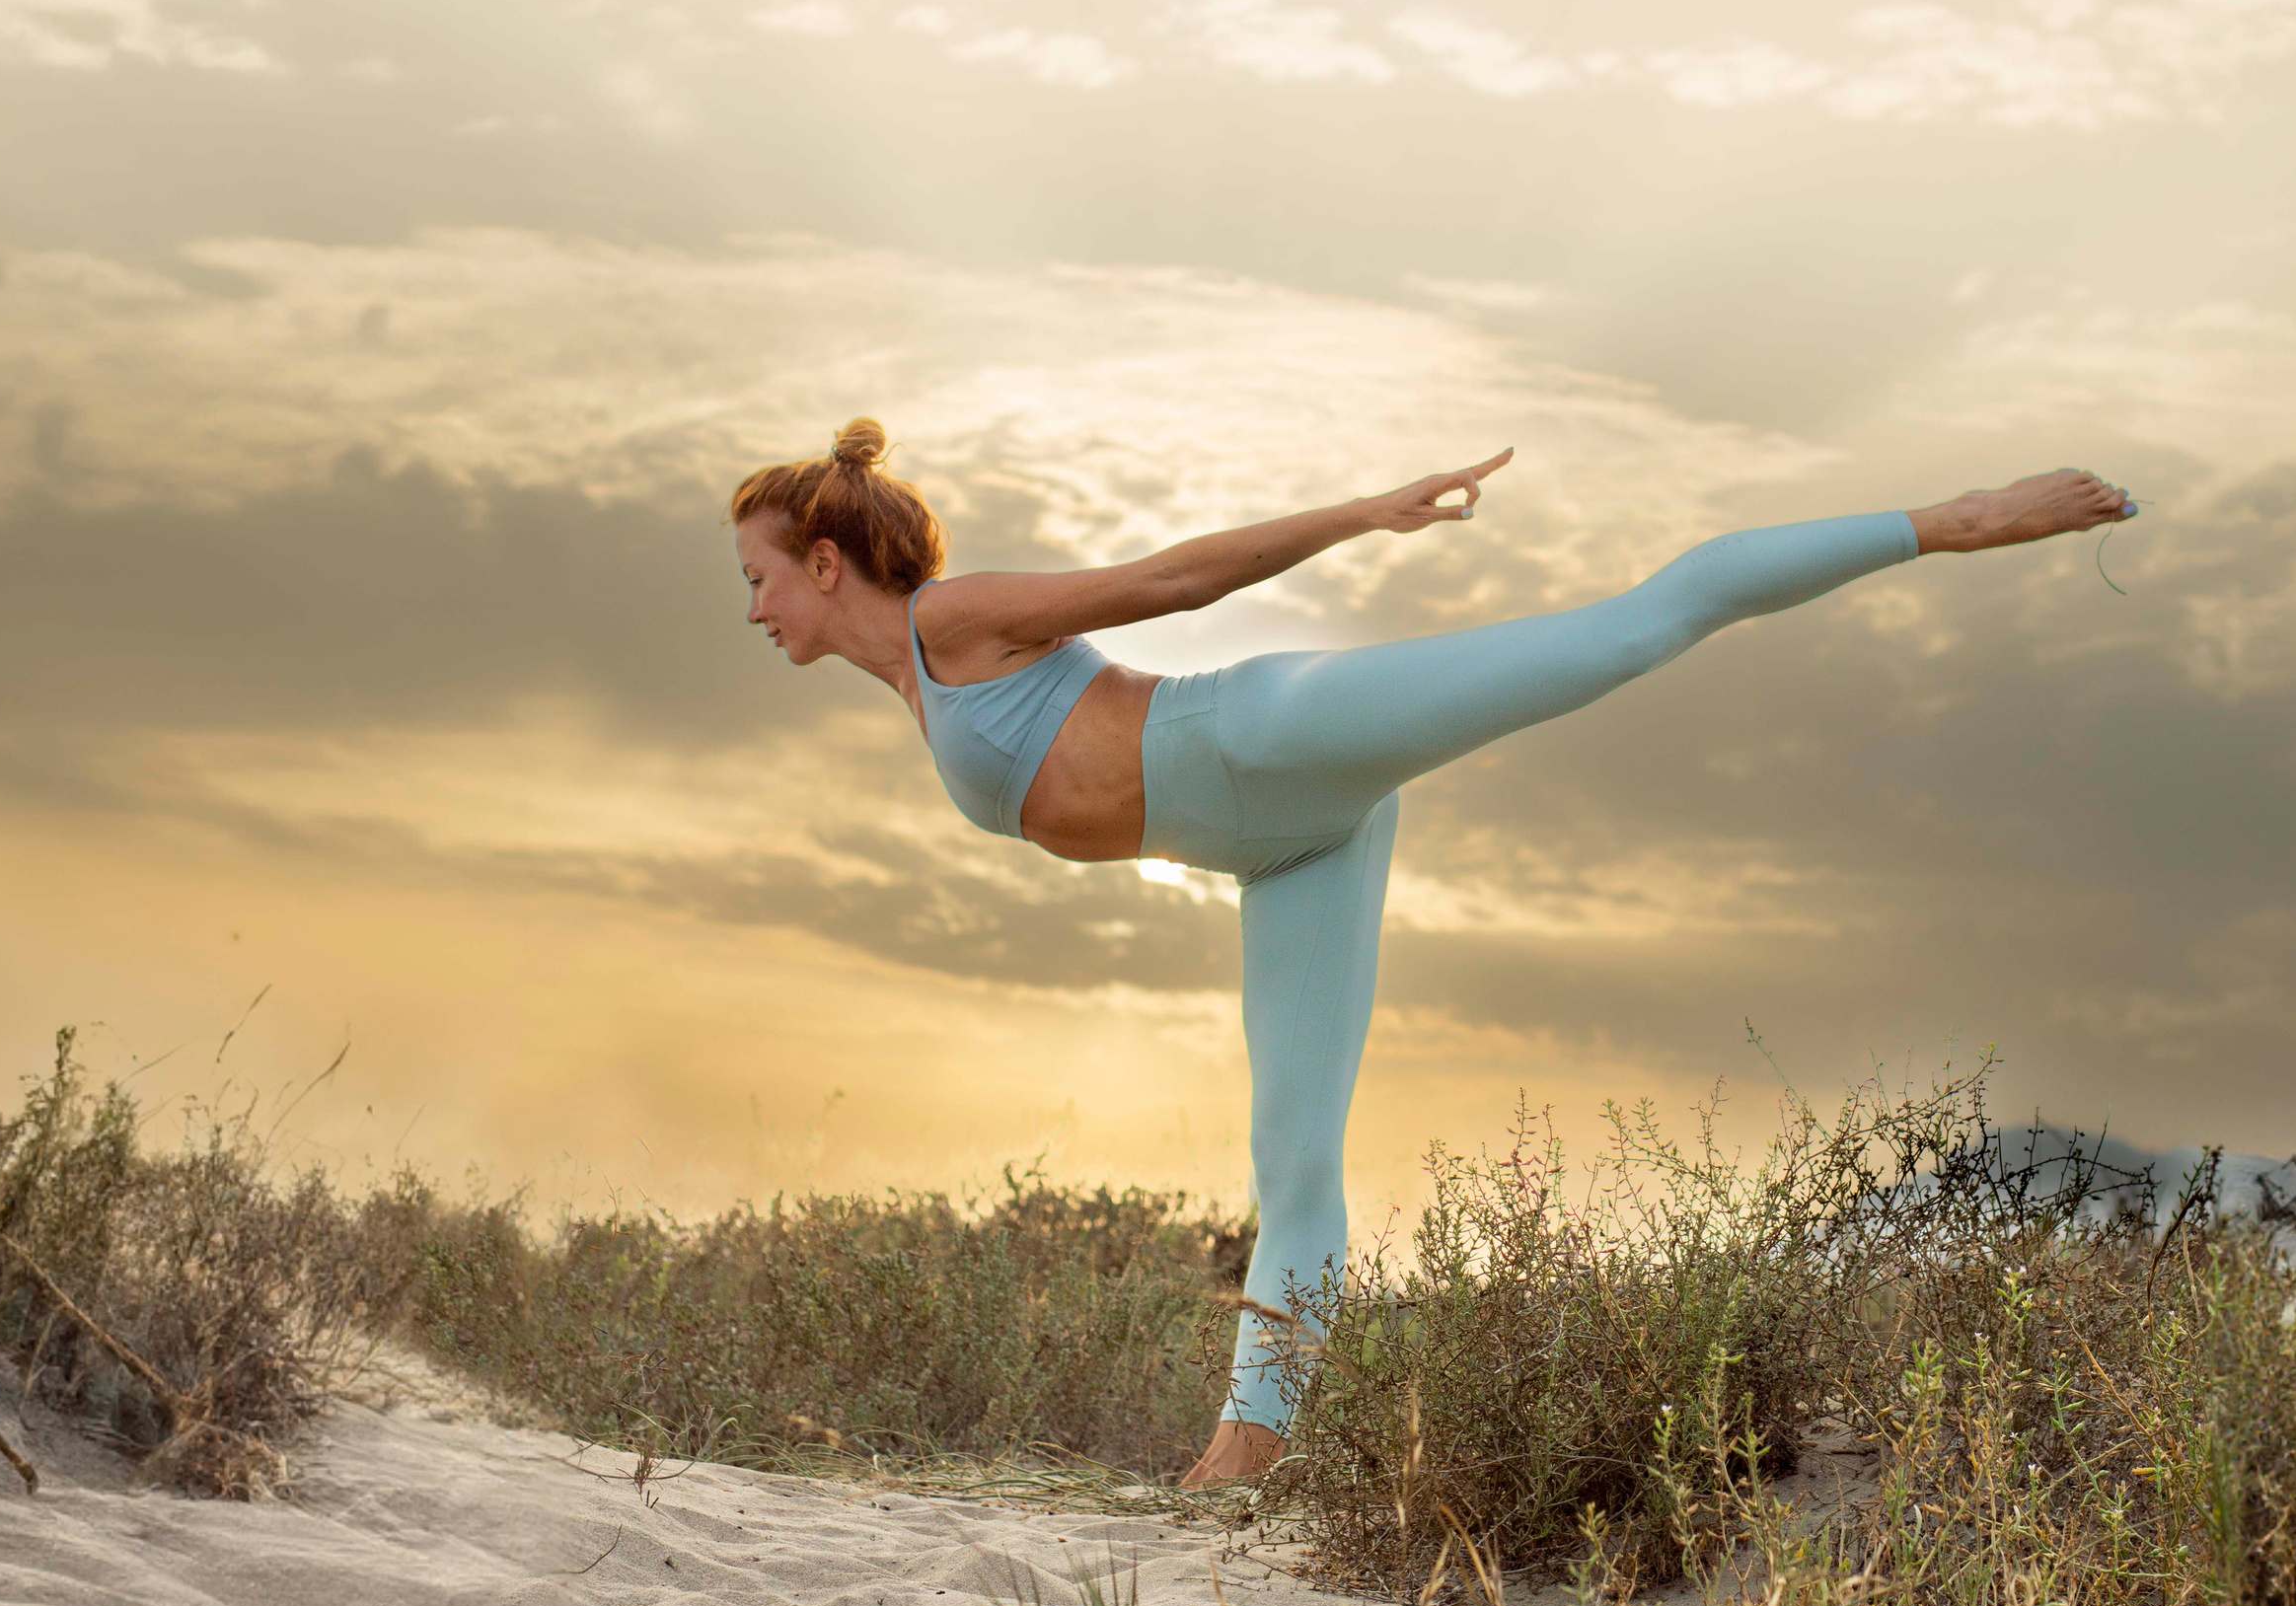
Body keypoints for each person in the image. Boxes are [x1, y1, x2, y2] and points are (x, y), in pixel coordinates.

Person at [728, 417, 2139, 1488]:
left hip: (1262, 735)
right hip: (1286, 849)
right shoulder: (914, 685)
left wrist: (1365, 513)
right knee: (1294, 1161)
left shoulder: (950, 619)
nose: (753, 609)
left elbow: (1171, 579)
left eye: (759, 577)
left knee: (1628, 634)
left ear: (825, 562)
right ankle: (1244, 1467)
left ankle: (1954, 521)